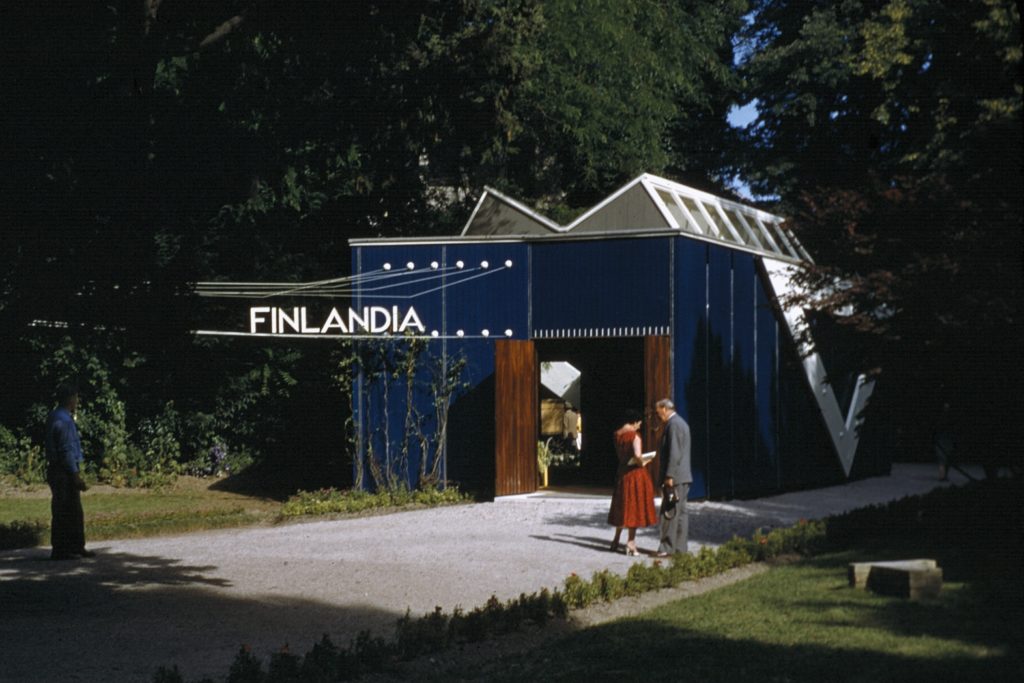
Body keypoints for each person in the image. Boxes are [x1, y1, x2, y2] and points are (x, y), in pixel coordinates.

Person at [44, 383, 94, 560]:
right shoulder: (64, 421)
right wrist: (75, 475)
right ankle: (62, 549)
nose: (77, 401)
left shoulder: (55, 416)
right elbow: (66, 450)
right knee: (65, 510)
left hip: (56, 468)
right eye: (76, 397)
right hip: (63, 470)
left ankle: (75, 546)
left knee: (71, 509)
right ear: (70, 398)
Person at [607, 409, 658, 556]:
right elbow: (637, 456)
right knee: (633, 508)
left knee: (622, 506)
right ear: (634, 421)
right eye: (639, 423)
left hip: (622, 473)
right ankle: (630, 543)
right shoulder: (635, 436)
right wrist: (645, 460)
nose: (639, 426)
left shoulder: (617, 434)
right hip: (635, 474)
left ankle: (616, 540)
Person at [654, 398, 692, 557]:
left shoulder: (673, 425)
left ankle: (667, 547)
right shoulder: (681, 423)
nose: (658, 416)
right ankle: (680, 547)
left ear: (664, 408)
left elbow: (674, 452)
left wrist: (669, 475)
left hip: (675, 477)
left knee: (669, 512)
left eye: (657, 412)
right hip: (683, 476)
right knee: (681, 513)